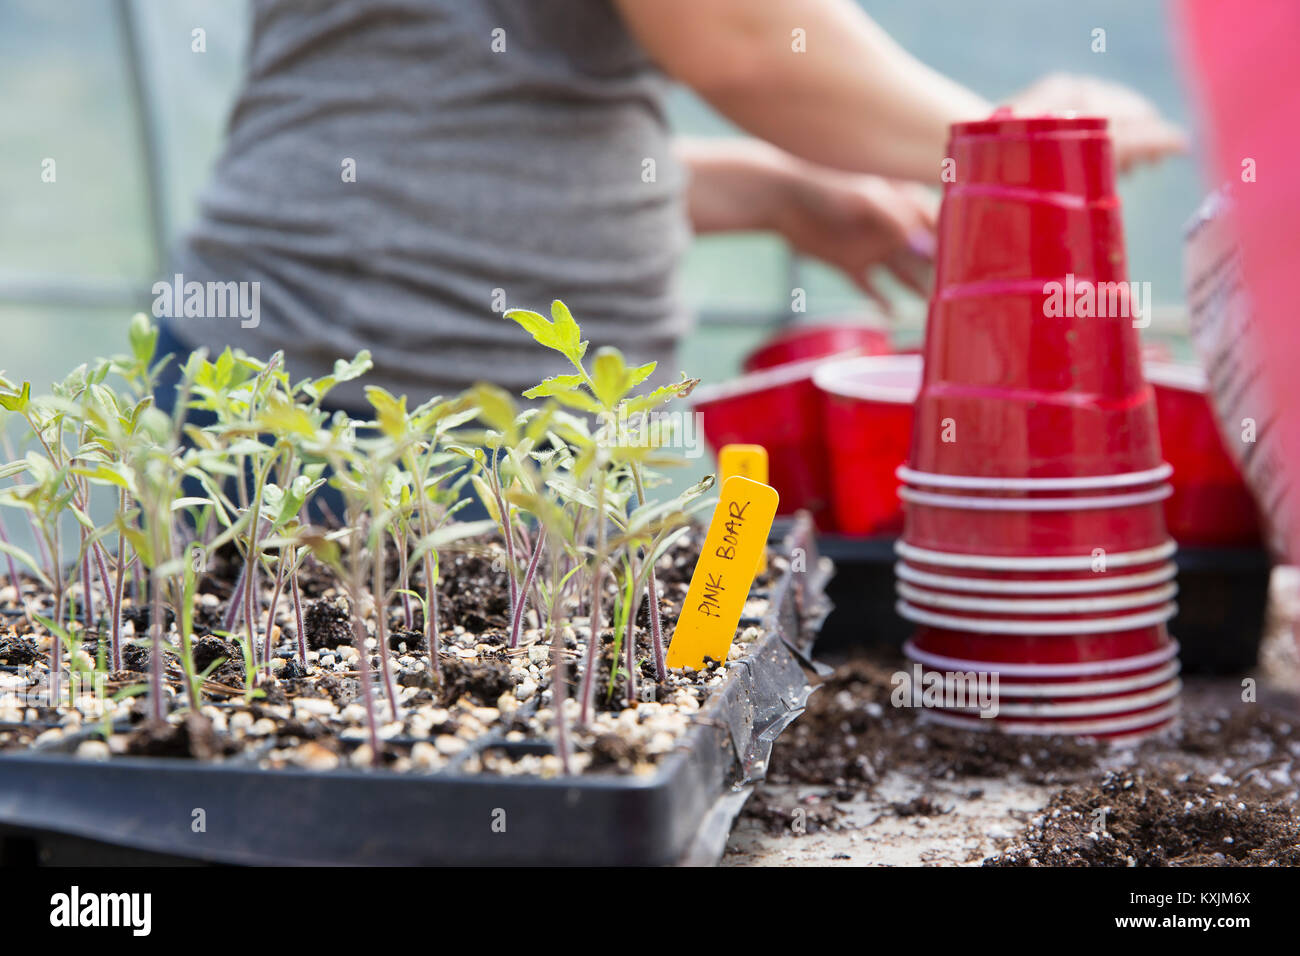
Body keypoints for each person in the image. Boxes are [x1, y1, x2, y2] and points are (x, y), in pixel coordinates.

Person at [157, 0, 1185, 414]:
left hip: (328, 364)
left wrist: (771, 192)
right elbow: (744, 37)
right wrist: (1024, 142)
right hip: (372, 398)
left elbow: (445, 103)